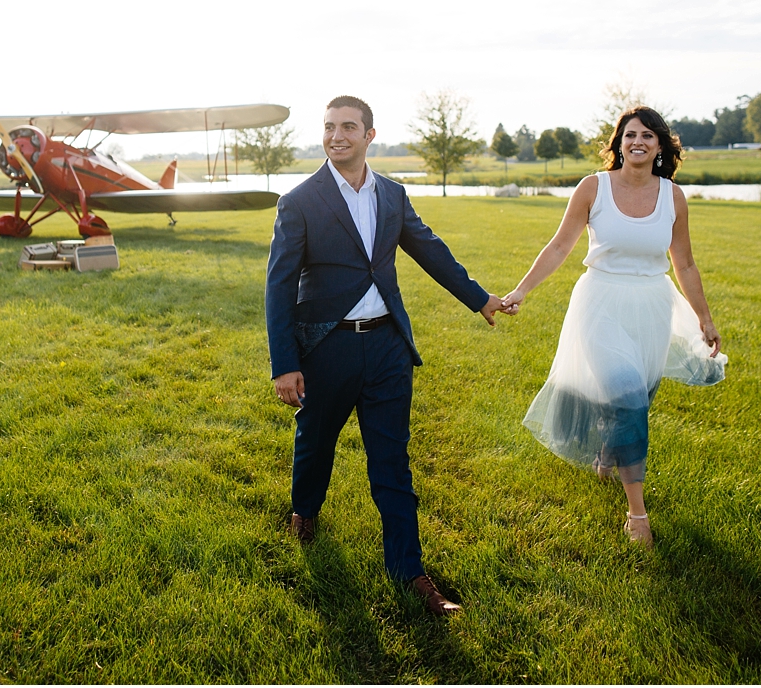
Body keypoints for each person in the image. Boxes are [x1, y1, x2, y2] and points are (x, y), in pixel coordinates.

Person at [266, 95, 509, 616]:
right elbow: (279, 286)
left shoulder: (393, 195)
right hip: (326, 347)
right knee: (316, 443)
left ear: (369, 135)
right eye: (329, 127)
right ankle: (304, 513)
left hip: (388, 348)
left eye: (348, 127)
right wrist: (285, 363)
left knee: (392, 465)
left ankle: (410, 571)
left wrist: (480, 299)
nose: (337, 136)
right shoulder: (300, 201)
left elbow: (430, 249)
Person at [502, 105, 726, 547]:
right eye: (629, 135)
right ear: (618, 143)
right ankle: (637, 514)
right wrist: (520, 291)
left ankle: (608, 452)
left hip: (653, 307)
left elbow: (684, 262)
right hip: (600, 302)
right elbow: (560, 245)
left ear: (660, 146)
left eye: (646, 135)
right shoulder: (593, 188)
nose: (637, 142)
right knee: (626, 397)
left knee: (639, 395)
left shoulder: (673, 197)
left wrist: (704, 317)